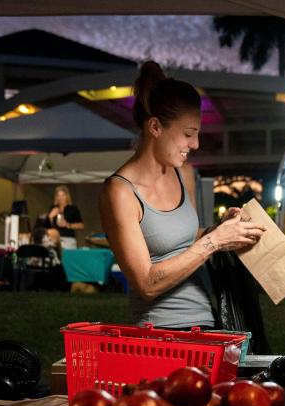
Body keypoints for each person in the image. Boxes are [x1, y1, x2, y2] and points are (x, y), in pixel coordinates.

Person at [100, 61, 265, 330]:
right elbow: (146, 284)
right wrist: (213, 242)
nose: (196, 144)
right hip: (160, 333)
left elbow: (185, 240)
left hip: (205, 322)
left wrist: (222, 230)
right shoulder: (119, 193)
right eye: (188, 134)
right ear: (155, 127)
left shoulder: (183, 173)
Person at [41, 185, 84, 250]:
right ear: (56, 197)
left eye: (63, 195)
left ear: (67, 196)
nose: (61, 198)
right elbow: (46, 227)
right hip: (54, 239)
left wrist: (67, 224)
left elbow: (81, 226)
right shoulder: (53, 207)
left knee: (68, 258)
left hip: (69, 239)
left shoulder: (73, 208)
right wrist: (50, 216)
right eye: (59, 195)